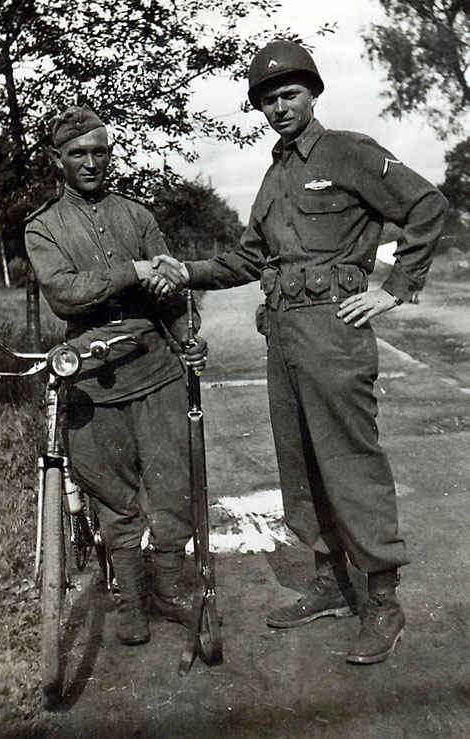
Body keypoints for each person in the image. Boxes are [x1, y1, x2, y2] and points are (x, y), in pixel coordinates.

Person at [152, 40, 448, 664]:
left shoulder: (348, 151)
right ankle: (331, 583)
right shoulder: (275, 171)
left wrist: (395, 291)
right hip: (282, 334)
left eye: (289, 94)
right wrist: (186, 271)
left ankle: (383, 601)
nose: (279, 107)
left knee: (349, 461)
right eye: (267, 99)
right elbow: (251, 258)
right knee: (301, 462)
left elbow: (427, 206)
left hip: (333, 332)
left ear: (312, 94)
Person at [25, 104, 207, 646]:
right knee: (112, 494)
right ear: (57, 161)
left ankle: (170, 590)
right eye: (77, 154)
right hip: (89, 375)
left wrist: (189, 340)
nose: (90, 161)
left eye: (99, 151)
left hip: (156, 369)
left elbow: (173, 288)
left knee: (173, 484)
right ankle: (131, 600)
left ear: (111, 153)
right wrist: (132, 272)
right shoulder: (43, 228)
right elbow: (64, 293)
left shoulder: (138, 216)